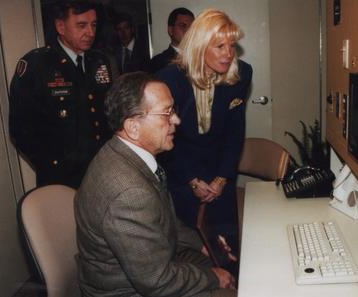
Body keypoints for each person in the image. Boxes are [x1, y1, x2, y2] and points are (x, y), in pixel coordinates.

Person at [75, 72, 237, 297]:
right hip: (129, 289)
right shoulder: (129, 192)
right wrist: (213, 277)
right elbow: (156, 281)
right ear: (133, 127)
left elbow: (165, 222)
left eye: (174, 110)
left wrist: (204, 245)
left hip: (152, 264)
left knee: (227, 266)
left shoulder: (126, 153)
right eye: (166, 113)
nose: (176, 121)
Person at [156, 8, 253, 276]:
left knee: (227, 250)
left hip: (220, 171)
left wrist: (221, 179)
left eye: (232, 45)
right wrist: (193, 180)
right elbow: (166, 139)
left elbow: (235, 133)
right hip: (182, 172)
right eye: (219, 46)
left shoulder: (241, 74)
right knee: (193, 254)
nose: (228, 53)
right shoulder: (170, 79)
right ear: (200, 46)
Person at [9, 0, 113, 189]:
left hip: (102, 170)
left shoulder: (99, 61)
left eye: (94, 24)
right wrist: (52, 165)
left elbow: (109, 115)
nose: (90, 32)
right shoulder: (37, 65)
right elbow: (20, 129)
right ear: (60, 26)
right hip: (61, 177)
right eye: (81, 25)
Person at [150, 7, 194, 73]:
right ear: (170, 30)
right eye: (183, 26)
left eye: (192, 27)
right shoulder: (158, 62)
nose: (189, 31)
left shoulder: (201, 58)